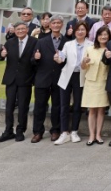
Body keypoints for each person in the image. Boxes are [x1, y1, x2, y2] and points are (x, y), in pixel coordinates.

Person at [0, 22, 37, 142]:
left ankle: (20, 130)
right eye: (18, 29)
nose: (20, 31)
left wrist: (36, 58)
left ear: (27, 29)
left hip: (26, 79)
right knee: (9, 106)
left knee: (23, 106)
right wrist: (2, 55)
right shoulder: (10, 42)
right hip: (11, 79)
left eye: (23, 29)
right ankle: (8, 131)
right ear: (15, 31)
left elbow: (36, 61)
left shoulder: (34, 42)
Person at [54, 21, 93, 145]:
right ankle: (64, 132)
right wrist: (58, 59)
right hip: (67, 76)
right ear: (74, 32)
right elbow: (62, 58)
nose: (80, 32)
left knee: (77, 105)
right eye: (78, 30)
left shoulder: (91, 45)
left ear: (86, 31)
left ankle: (74, 131)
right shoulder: (68, 44)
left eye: (83, 29)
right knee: (64, 105)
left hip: (81, 76)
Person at [30, 15, 68, 143]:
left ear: (62, 25)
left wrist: (61, 61)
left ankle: (55, 130)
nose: (56, 25)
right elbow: (32, 61)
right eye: (54, 23)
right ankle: (37, 132)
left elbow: (69, 61)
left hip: (59, 79)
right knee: (39, 107)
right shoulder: (41, 41)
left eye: (58, 23)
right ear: (50, 25)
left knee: (57, 106)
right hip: (43, 78)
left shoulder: (67, 42)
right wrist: (36, 58)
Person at [81, 25, 111, 146]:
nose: (103, 37)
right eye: (100, 34)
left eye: (105, 34)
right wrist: (84, 62)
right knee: (92, 110)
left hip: (103, 82)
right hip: (91, 83)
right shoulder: (90, 49)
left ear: (109, 36)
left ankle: (98, 134)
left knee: (101, 110)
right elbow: (83, 67)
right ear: (97, 36)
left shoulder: (110, 49)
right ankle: (91, 135)